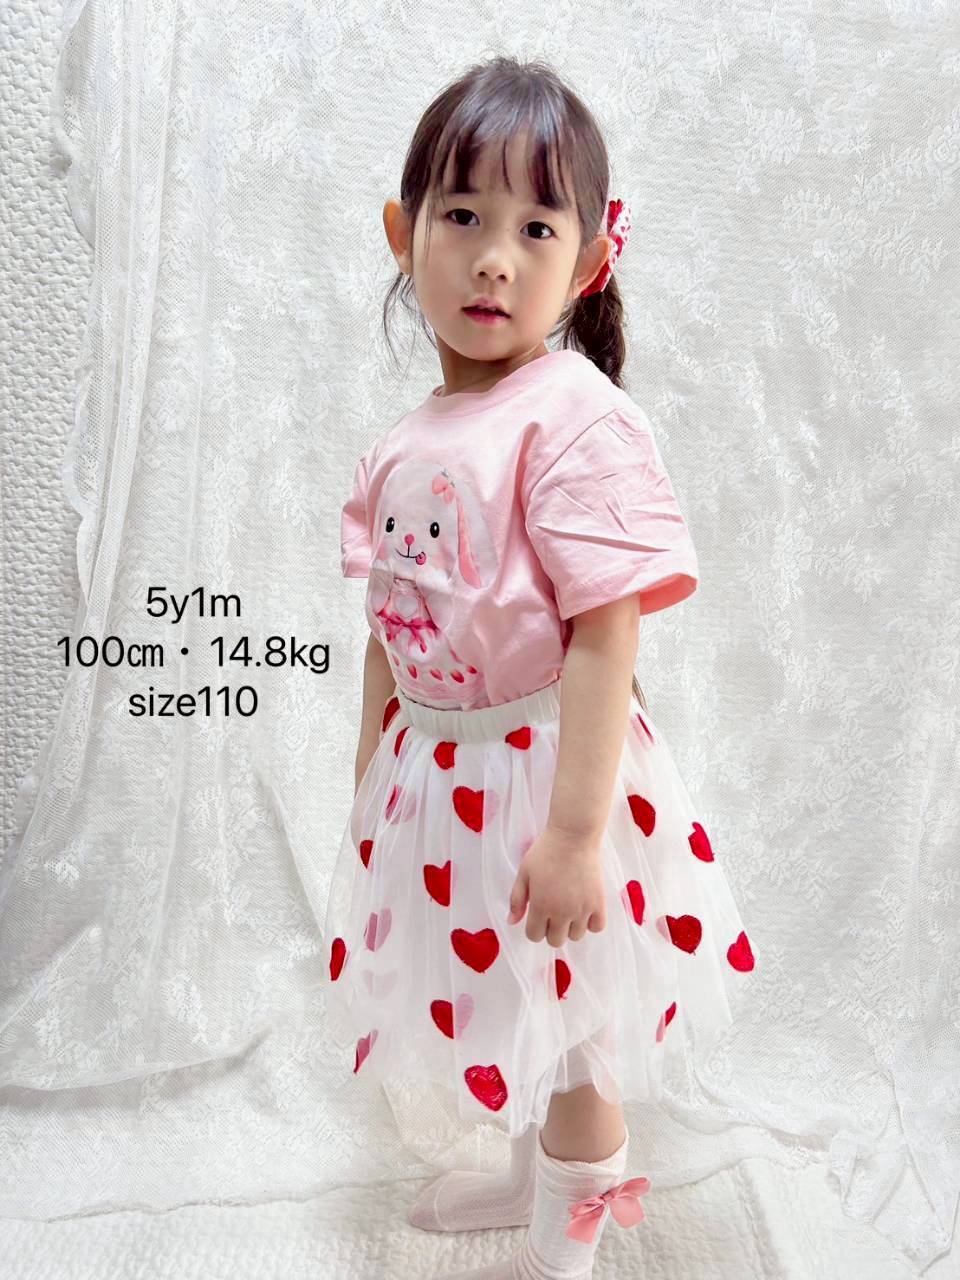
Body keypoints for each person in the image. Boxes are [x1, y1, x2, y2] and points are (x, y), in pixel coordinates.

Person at [324, 54, 757, 1280]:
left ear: (589, 260)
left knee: (577, 1028)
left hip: (548, 771)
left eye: (534, 228)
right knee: (516, 998)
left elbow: (608, 631)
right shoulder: (403, 440)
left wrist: (574, 834)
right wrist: (370, 774)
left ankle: (571, 1233)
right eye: (463, 216)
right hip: (440, 777)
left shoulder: (574, 415)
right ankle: (528, 1176)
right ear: (405, 232)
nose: (493, 259)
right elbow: (388, 625)